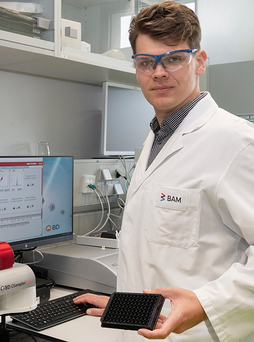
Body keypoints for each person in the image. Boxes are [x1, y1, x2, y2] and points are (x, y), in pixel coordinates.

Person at [73, 1, 254, 341]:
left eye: (173, 59)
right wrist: (124, 302)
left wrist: (205, 303)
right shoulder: (156, 140)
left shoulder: (237, 143)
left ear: (199, 62)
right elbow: (157, 255)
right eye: (146, 62)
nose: (158, 72)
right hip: (143, 327)